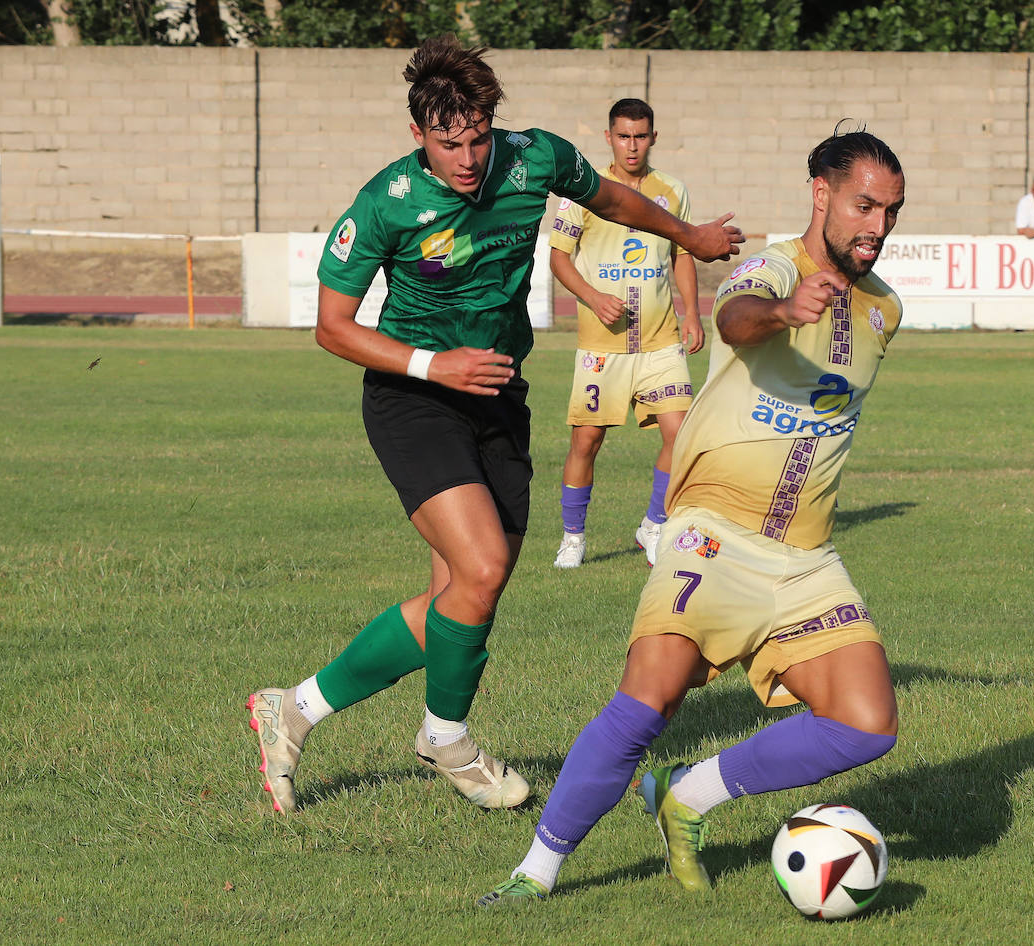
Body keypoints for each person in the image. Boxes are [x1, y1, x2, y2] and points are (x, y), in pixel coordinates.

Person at [245, 36, 743, 815]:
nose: (469, 158)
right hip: (413, 397)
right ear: (419, 137)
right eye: (450, 144)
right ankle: (446, 736)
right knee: (478, 571)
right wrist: (433, 366)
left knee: (463, 594)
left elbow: (612, 201)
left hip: (499, 395)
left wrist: (691, 238)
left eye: (479, 137)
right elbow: (332, 328)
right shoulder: (386, 203)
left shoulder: (534, 159)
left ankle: (296, 708)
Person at [477, 126, 905, 906]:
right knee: (649, 700)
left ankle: (687, 794)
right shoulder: (774, 269)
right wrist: (783, 310)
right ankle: (534, 875)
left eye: (890, 212)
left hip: (805, 556)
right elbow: (738, 315)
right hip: (714, 532)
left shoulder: (884, 310)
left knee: (867, 720)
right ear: (822, 195)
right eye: (863, 206)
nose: (876, 226)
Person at [549, 98, 704, 570]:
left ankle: (654, 527)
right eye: (623, 136)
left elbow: (682, 254)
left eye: (640, 136)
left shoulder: (672, 190)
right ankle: (572, 538)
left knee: (683, 435)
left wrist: (693, 314)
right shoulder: (584, 191)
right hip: (603, 345)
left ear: (653, 137)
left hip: (660, 341)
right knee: (586, 442)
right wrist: (594, 298)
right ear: (608, 137)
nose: (631, 145)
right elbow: (558, 257)